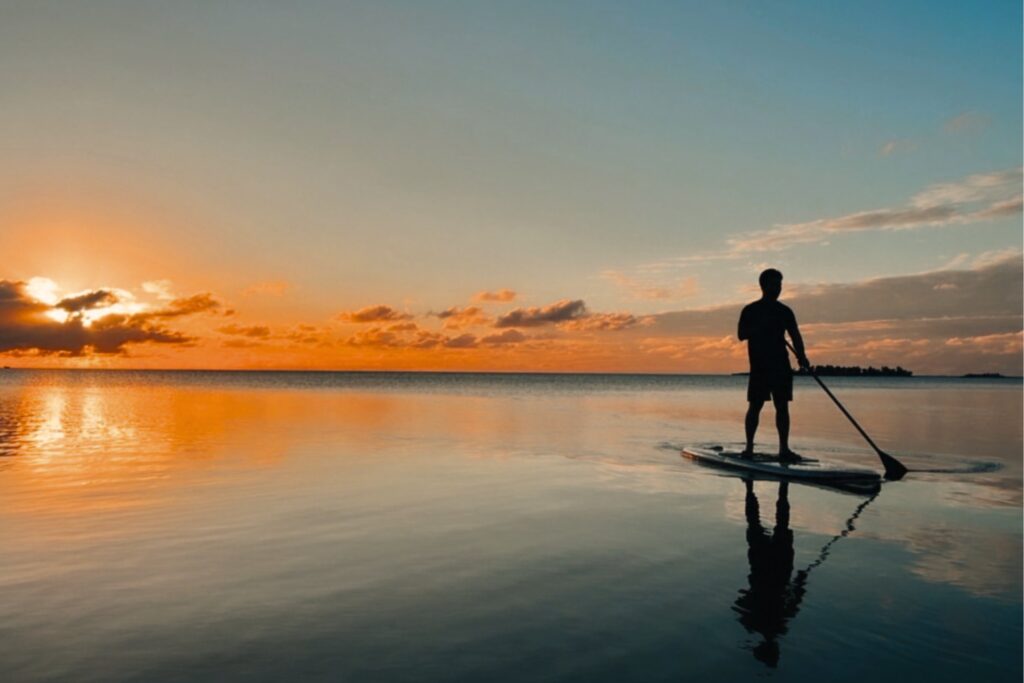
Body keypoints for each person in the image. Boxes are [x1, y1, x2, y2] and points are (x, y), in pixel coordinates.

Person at [737, 269, 809, 461]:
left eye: (779, 285)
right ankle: (749, 448)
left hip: (781, 365)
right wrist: (760, 327)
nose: (777, 288)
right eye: (774, 284)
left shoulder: (784, 312)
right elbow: (741, 334)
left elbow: (795, 335)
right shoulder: (751, 310)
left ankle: (784, 449)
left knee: (782, 406)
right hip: (760, 365)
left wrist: (802, 356)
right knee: (755, 405)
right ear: (763, 286)